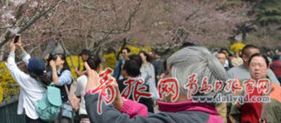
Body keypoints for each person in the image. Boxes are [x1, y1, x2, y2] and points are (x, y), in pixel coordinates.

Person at [84, 45, 227, 123]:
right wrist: (121, 103)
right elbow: (152, 118)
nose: (162, 77)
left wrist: (94, 95)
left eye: (168, 73)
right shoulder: (207, 117)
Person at [228, 54, 281, 123]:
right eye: (253, 65)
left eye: (260, 65)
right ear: (249, 67)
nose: (256, 68)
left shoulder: (277, 90)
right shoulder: (240, 89)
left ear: (267, 68)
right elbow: (233, 114)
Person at [6, 37, 48, 123]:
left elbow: (12, 67)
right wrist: (20, 48)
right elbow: (31, 63)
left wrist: (12, 51)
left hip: (33, 117)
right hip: (46, 115)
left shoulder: (27, 80)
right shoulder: (44, 76)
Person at [49, 52, 75, 123]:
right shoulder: (52, 73)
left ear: (62, 61)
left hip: (64, 105)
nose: (55, 60)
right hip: (53, 106)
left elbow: (57, 82)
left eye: (56, 58)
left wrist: (53, 68)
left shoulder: (66, 73)